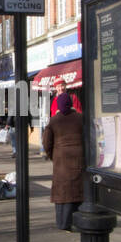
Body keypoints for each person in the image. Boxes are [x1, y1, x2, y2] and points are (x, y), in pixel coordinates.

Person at [43, 91, 85, 231]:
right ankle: (77, 221)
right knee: (77, 190)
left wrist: (54, 156)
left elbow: (46, 143)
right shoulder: (80, 118)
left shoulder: (54, 120)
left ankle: (63, 222)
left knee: (62, 192)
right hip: (79, 157)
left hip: (61, 159)